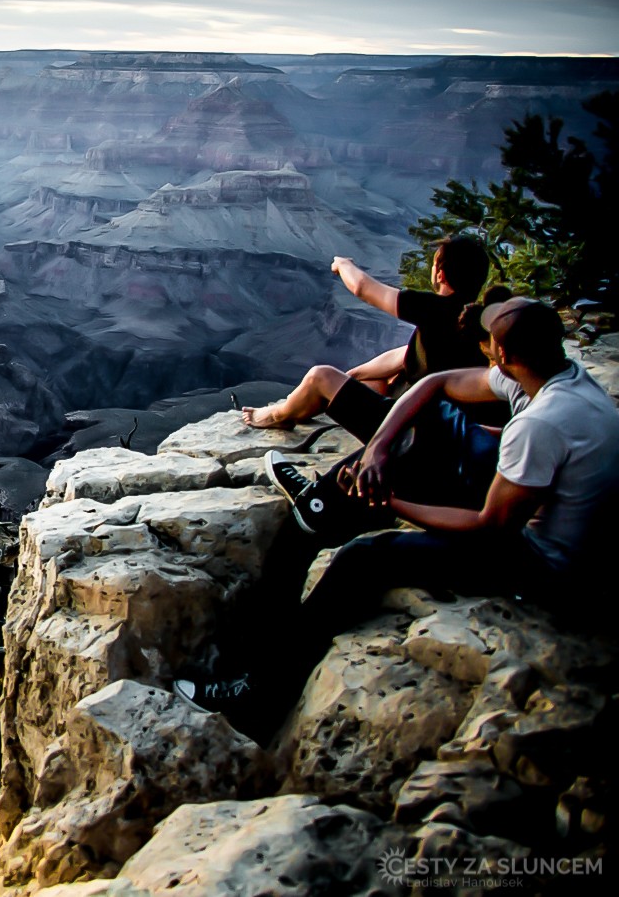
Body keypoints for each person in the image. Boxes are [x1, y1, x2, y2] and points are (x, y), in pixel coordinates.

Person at [182, 298, 619, 715]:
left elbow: (490, 528)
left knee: (362, 560)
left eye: (486, 338)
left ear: (501, 353)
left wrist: (391, 502)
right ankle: (324, 511)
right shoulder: (554, 376)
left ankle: (258, 694)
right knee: (415, 440)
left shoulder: (540, 425)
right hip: (537, 526)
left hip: (541, 568)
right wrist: (379, 450)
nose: (479, 341)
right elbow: (436, 383)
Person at [242, 236, 491, 436]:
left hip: (418, 431)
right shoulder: (474, 319)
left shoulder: (434, 308)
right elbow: (406, 354)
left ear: (440, 275)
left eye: (435, 264)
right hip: (446, 423)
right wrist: (355, 374)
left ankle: (277, 416)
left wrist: (343, 264)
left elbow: (363, 288)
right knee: (373, 381)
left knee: (320, 376)